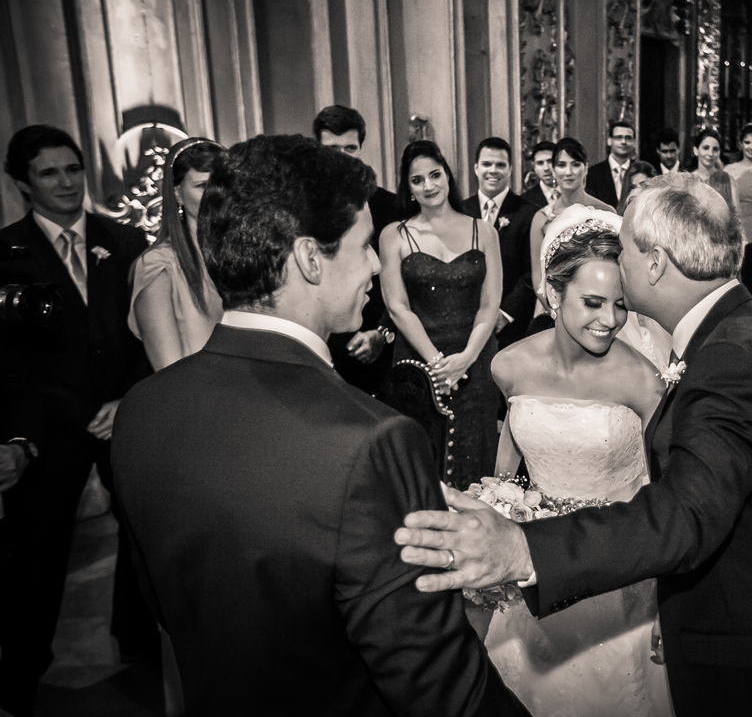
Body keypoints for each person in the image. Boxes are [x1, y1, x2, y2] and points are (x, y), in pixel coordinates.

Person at [396, 175, 752, 717]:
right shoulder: (734, 336)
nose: (620, 264)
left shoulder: (732, 359)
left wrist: (523, 547)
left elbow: (686, 513)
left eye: (628, 249)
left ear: (655, 263)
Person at [110, 134, 527, 717]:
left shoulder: (143, 410)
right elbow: (437, 682)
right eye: (363, 247)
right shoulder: (374, 441)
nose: (379, 264)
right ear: (310, 258)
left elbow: (168, 605)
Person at [484, 205, 671, 716]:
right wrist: (500, 516)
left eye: (619, 304)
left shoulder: (643, 381)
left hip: (619, 572)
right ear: (552, 292)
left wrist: (665, 611)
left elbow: (670, 496)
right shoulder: (509, 366)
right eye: (592, 302)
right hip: (537, 569)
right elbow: (507, 469)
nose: (609, 320)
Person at [0, 125, 154, 716]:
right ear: (22, 184)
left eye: (72, 169)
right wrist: (76, 413)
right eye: (49, 173)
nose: (66, 182)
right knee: (34, 558)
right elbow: (14, 361)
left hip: (124, 415)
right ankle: (17, 679)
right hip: (49, 427)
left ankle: (141, 645)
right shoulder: (7, 254)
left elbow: (148, 329)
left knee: (143, 534)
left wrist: (127, 400)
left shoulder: (128, 241)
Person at [380, 140, 504, 489]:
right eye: (417, 180)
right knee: (422, 456)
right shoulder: (395, 235)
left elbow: (489, 305)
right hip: (418, 363)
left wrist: (465, 359)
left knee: (475, 454)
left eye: (435, 175)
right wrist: (437, 364)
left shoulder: (485, 231)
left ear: (448, 176)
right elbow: (397, 307)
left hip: (475, 358)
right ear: (409, 188)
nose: (429, 185)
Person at [316, 105, 399, 395]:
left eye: (350, 148)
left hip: (376, 339)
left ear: (361, 147)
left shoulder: (389, 206)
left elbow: (398, 278)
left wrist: (382, 333)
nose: (341, 157)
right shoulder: (300, 206)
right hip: (319, 341)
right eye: (332, 148)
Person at [129, 138, 224, 370]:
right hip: (199, 399)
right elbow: (168, 370)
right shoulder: (158, 265)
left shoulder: (249, 257)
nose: (215, 195)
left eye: (222, 184)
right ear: (178, 194)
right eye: (202, 186)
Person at [461, 137, 538, 348]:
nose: (493, 170)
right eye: (487, 164)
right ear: (476, 168)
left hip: (511, 329)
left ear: (511, 169)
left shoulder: (528, 213)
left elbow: (531, 275)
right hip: (464, 325)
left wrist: (504, 314)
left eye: (500, 165)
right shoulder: (460, 212)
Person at [529, 137, 616, 302]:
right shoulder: (541, 219)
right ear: (554, 171)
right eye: (561, 165)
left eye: (575, 164)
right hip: (555, 303)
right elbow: (538, 277)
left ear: (586, 169)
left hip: (601, 299)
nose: (568, 172)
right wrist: (555, 310)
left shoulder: (605, 212)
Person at [586, 120, 637, 209]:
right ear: (609, 141)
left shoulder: (640, 172)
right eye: (618, 137)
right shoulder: (592, 173)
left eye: (628, 138)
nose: (623, 141)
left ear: (634, 142)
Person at [690, 127, 735, 211]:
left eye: (715, 149)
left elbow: (737, 219)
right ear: (696, 150)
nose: (710, 153)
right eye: (706, 148)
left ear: (719, 153)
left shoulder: (729, 180)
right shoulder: (687, 181)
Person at [520, 140, 558, 209]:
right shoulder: (525, 201)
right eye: (540, 163)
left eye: (550, 161)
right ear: (534, 167)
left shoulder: (576, 192)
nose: (546, 168)